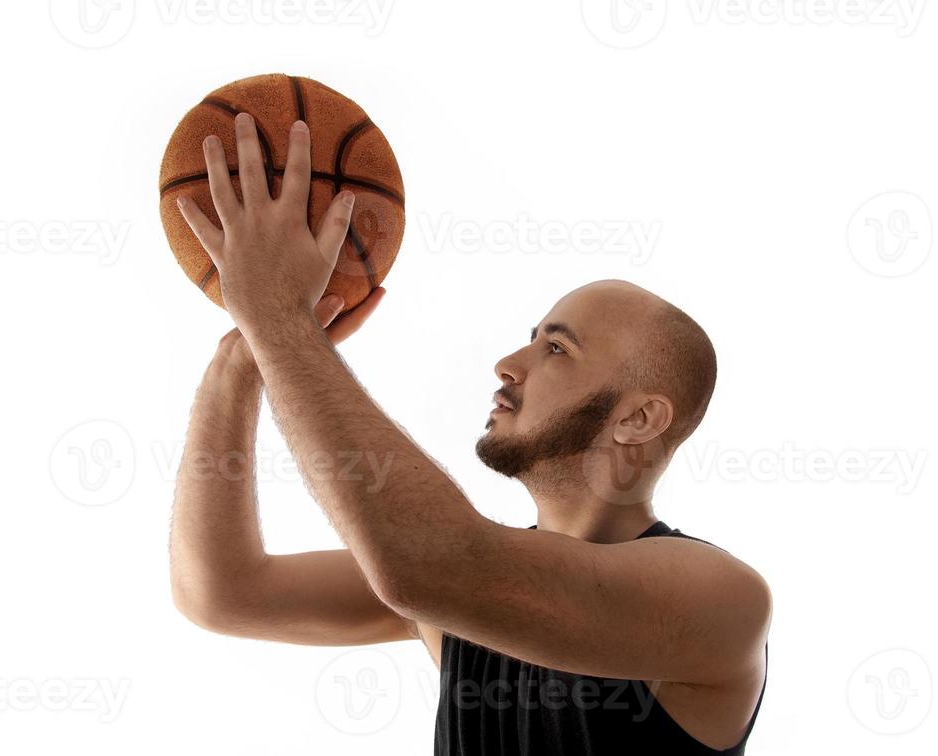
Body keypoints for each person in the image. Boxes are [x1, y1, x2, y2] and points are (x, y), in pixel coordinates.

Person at [169, 277, 771, 755]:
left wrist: (280, 319)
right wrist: (240, 358)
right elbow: (221, 590)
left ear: (638, 419)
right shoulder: (463, 597)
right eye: (531, 338)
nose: (509, 363)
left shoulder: (721, 600)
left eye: (557, 348)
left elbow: (427, 564)